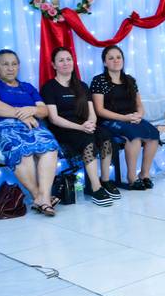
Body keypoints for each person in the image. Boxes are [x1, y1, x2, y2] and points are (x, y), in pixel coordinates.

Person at [0, 49, 60, 216]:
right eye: (5, 64)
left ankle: (43, 197)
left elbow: (43, 111)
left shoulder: (27, 87)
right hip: (1, 128)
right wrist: (21, 115)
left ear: (19, 66)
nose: (10, 68)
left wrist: (32, 109)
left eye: (14, 64)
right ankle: (39, 197)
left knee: (50, 145)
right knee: (20, 148)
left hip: (31, 127)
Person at [41, 47, 120, 207]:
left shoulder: (82, 86)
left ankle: (105, 180)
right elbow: (54, 118)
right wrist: (81, 128)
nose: (66, 63)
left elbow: (92, 113)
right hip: (63, 128)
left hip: (85, 125)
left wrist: (90, 123)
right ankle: (95, 188)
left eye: (68, 59)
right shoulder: (49, 87)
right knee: (87, 140)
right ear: (54, 65)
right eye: (61, 60)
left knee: (105, 136)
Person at [90, 45, 159, 190]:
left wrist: (139, 115)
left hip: (131, 118)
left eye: (118, 57)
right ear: (104, 62)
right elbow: (99, 110)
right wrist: (124, 118)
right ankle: (132, 177)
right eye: (111, 58)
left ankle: (144, 174)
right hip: (109, 120)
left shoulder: (130, 80)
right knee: (134, 136)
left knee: (154, 134)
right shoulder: (99, 81)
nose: (116, 60)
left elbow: (139, 105)